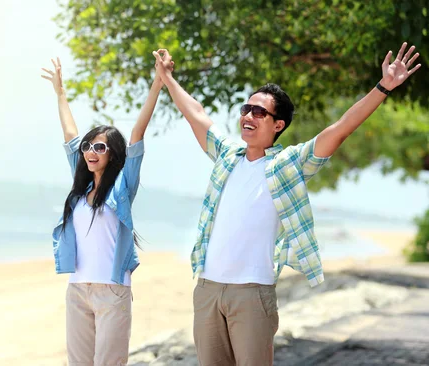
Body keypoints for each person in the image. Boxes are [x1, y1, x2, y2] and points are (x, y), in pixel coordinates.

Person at [152, 42, 420, 365]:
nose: (249, 116)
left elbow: (341, 129)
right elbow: (195, 113)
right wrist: (167, 78)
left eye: (259, 112)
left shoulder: (289, 164)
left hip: (252, 294)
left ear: (278, 124)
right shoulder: (226, 157)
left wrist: (383, 88)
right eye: (246, 110)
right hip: (207, 289)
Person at [41, 55, 172, 365]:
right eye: (89, 147)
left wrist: (158, 82)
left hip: (112, 292)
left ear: (113, 154)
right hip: (77, 290)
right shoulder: (81, 186)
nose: (90, 152)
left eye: (99, 147)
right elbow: (70, 135)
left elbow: (138, 134)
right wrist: (60, 93)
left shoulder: (122, 187)